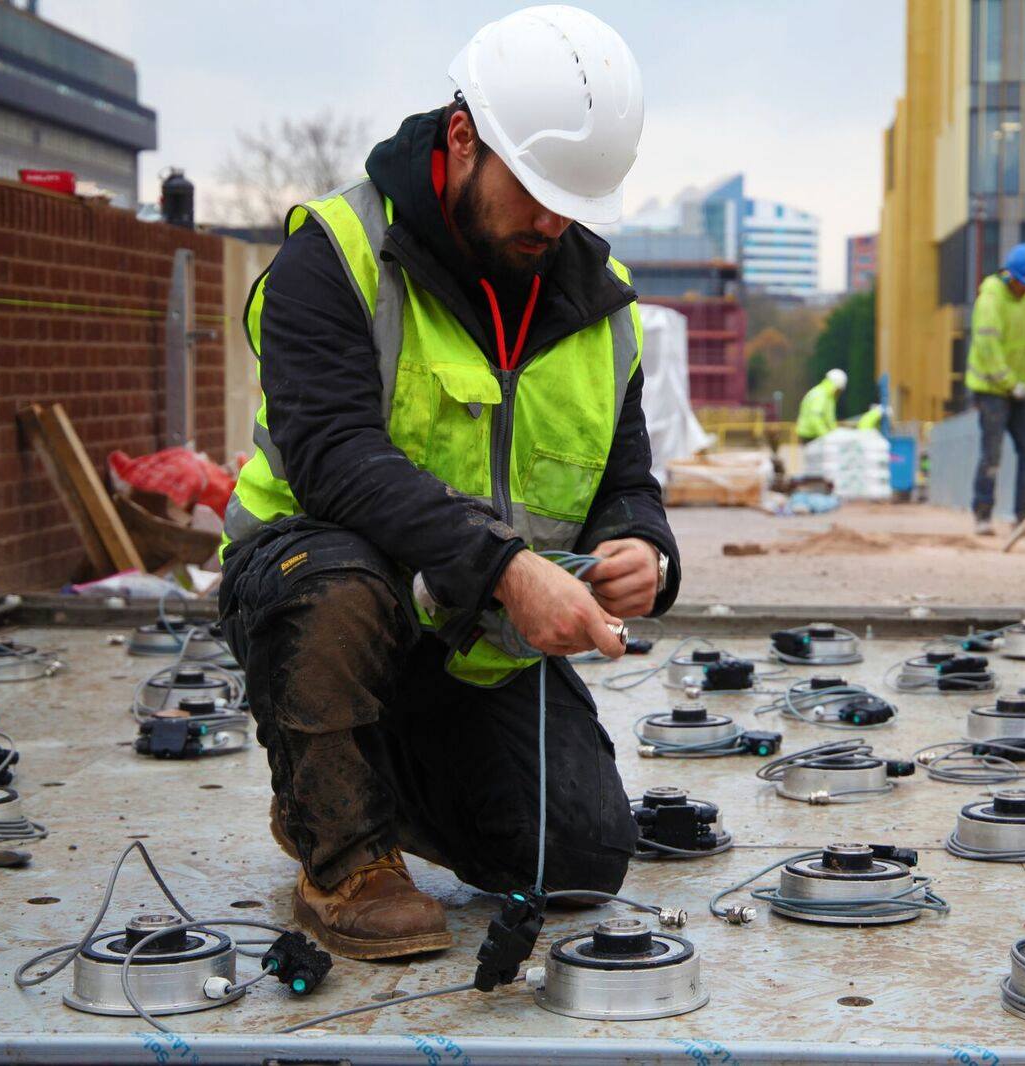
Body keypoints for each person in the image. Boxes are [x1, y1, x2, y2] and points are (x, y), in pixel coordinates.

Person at [216, 6, 679, 960]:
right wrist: (506, 567)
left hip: (473, 643)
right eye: (534, 190)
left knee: (578, 860)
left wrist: (643, 546)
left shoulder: (602, 307)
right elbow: (333, 455)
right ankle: (341, 854)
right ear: (464, 137)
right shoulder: (337, 254)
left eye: (572, 200)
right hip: (320, 598)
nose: (552, 221)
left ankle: (333, 784)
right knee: (336, 581)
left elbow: (625, 477)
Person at [967, 242, 1025, 535]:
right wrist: (1010, 384)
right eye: (1024, 284)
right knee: (992, 453)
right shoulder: (990, 300)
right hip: (992, 389)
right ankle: (983, 514)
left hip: (1018, 388)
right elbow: (988, 349)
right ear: (1010, 277)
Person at [796, 368, 847, 442]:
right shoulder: (820, 395)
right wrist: (826, 435)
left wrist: (834, 433)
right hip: (810, 435)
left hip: (814, 434)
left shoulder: (828, 395)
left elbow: (829, 418)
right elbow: (815, 418)